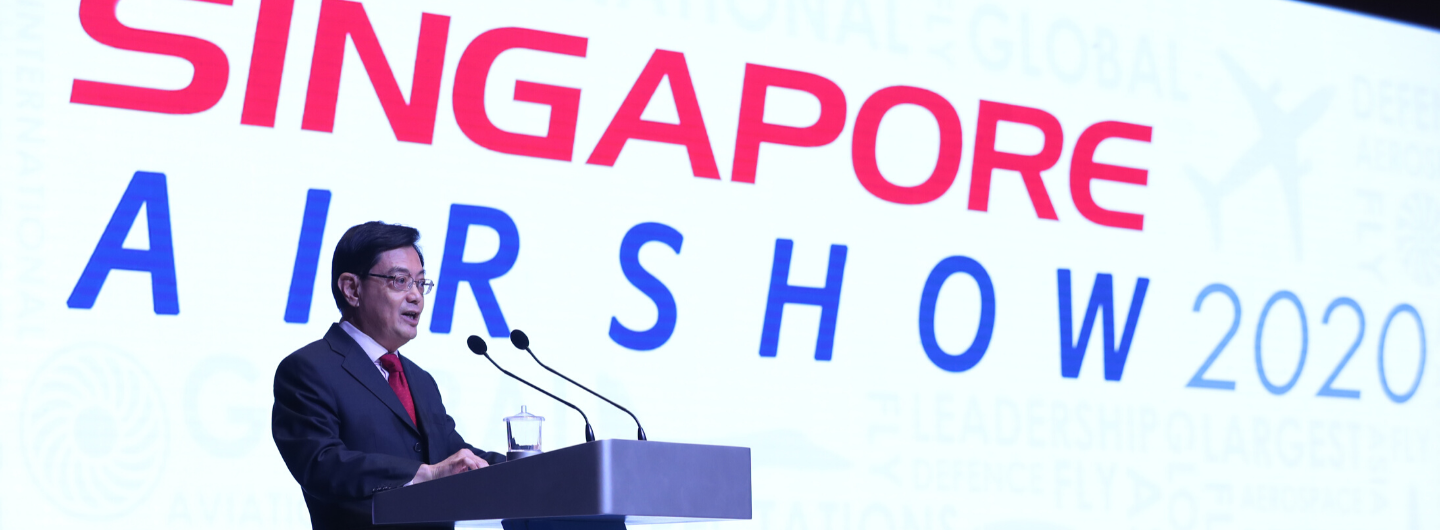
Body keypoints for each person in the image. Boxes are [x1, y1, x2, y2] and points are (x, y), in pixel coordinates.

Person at [272, 221, 503, 530]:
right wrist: (425, 474)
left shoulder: (421, 381)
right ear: (352, 289)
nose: (417, 297)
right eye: (400, 281)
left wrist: (537, 468)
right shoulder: (309, 370)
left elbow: (455, 458)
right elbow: (323, 465)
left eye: (421, 283)